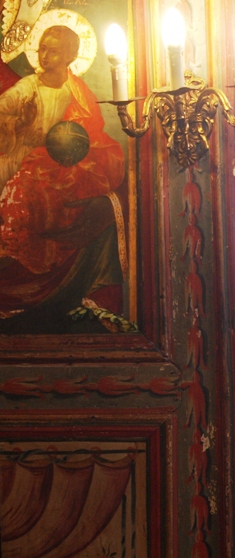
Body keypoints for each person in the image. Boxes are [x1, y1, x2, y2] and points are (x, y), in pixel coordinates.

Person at [0, 25, 126, 332]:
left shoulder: (77, 91)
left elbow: (89, 130)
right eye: (42, 49)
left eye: (53, 51)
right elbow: (5, 109)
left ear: (70, 56)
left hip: (54, 160)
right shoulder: (28, 85)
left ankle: (30, 252)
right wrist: (16, 122)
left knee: (48, 194)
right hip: (18, 153)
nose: (45, 56)